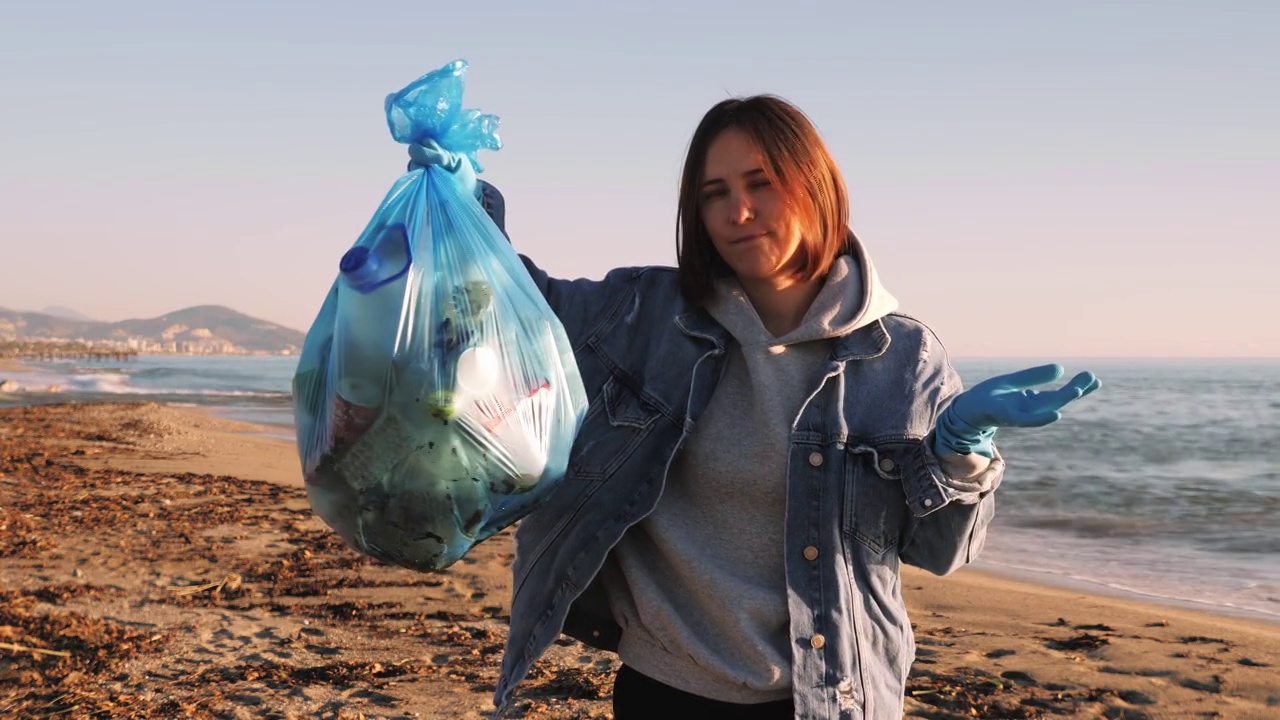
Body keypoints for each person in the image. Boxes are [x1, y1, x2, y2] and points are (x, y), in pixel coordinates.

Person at [407, 95, 1100, 719]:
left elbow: (940, 551)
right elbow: (518, 311)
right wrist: (466, 207)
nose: (737, 212)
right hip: (663, 689)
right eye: (714, 193)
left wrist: (961, 451)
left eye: (760, 184)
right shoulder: (644, 316)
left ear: (815, 186)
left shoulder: (903, 357)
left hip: (829, 698)